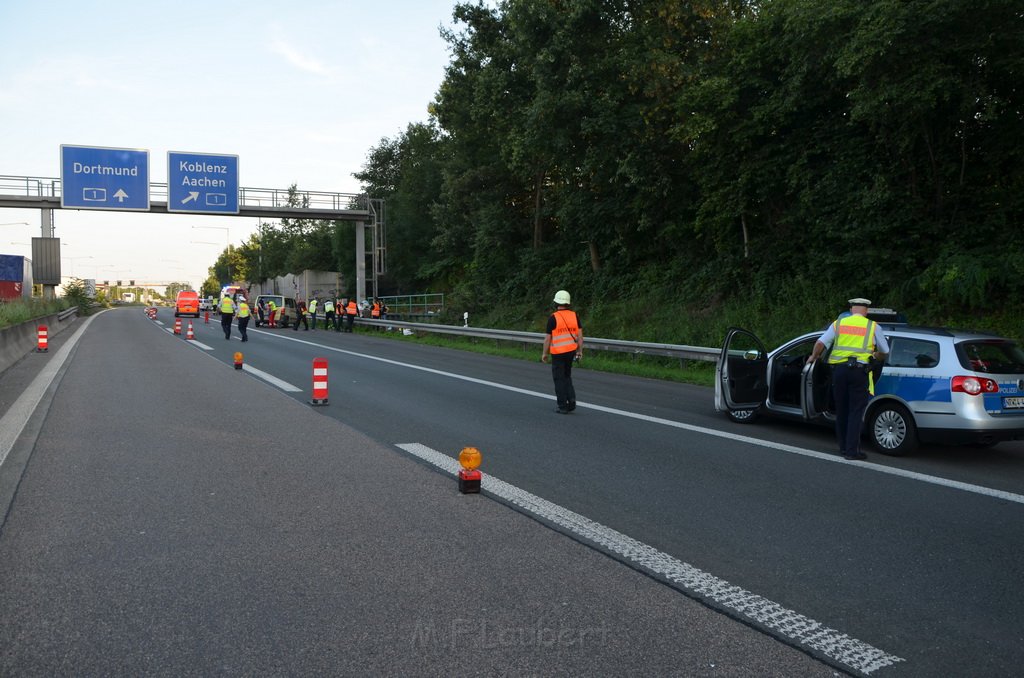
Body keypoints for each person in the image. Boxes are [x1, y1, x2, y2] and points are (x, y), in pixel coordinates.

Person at [808, 297, 890, 460]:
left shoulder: (838, 324)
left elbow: (820, 343)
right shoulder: (873, 327)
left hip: (839, 372)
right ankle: (852, 451)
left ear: (852, 309)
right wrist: (875, 355)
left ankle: (843, 448)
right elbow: (885, 351)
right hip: (859, 373)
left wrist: (813, 356)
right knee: (855, 411)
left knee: (842, 409)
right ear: (866, 311)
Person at [541, 289, 583, 414]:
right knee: (567, 376)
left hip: (558, 353)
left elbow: (547, 339)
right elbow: (580, 336)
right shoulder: (575, 316)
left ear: (556, 302)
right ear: (568, 303)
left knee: (559, 379)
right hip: (571, 351)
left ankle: (562, 406)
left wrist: (545, 353)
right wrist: (579, 351)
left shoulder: (553, 318)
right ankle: (572, 400)